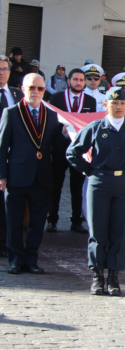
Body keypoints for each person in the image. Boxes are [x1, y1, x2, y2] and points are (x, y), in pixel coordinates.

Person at [66, 88, 125, 296]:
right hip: (99, 183)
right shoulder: (96, 127)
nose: (118, 107)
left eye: (122, 103)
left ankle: (113, 278)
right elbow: (73, 152)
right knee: (98, 232)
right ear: (106, 104)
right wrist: (89, 171)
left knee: (118, 231)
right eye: (114, 103)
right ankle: (97, 276)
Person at [0, 73, 69, 274]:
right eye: (31, 88)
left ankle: (31, 259)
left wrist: (64, 136)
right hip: (17, 176)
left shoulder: (51, 115)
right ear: (23, 89)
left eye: (39, 89)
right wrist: (1, 176)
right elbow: (2, 147)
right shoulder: (11, 113)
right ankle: (15, 260)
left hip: (42, 176)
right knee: (14, 221)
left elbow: (55, 147)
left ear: (44, 91)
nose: (35, 92)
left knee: (37, 223)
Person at [48, 68, 97, 234]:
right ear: (68, 81)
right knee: (56, 185)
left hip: (80, 151)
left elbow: (91, 125)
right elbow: (51, 123)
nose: (78, 83)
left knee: (77, 187)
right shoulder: (56, 98)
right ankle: (52, 220)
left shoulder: (90, 101)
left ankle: (76, 221)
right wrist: (59, 135)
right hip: (60, 148)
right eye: (75, 79)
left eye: (81, 80)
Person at [0, 55, 24, 258]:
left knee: (8, 204)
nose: (1, 72)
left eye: (5, 69)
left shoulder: (17, 94)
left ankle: (4, 243)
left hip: (12, 156)